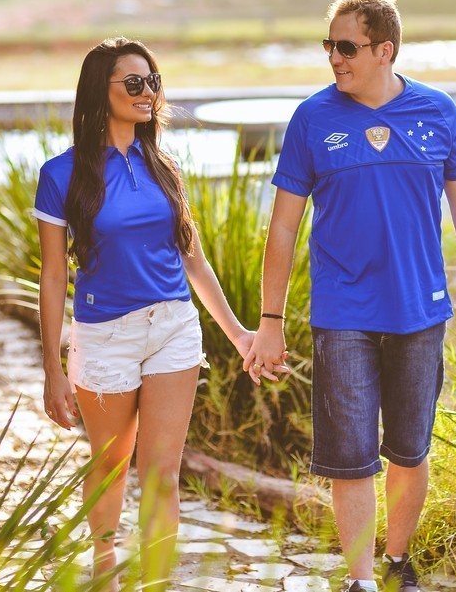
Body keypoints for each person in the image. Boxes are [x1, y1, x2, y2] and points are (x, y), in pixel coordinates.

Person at [244, 0, 456, 592]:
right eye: (329, 46)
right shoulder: (313, 118)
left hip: (419, 312)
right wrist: (271, 320)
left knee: (410, 452)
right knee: (351, 454)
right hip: (343, 315)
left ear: (385, 50)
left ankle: (396, 559)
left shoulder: (437, 111)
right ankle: (361, 580)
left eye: (347, 47)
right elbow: (283, 225)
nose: (334, 58)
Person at [35, 37, 286, 591]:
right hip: (104, 336)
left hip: (172, 327)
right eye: (133, 83)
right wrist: (53, 367)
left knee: (161, 475)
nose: (147, 93)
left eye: (152, 82)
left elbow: (191, 256)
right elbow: (53, 276)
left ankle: (154, 583)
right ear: (99, 93)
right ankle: (105, 571)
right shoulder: (62, 175)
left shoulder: (164, 166)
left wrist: (239, 332)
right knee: (110, 466)